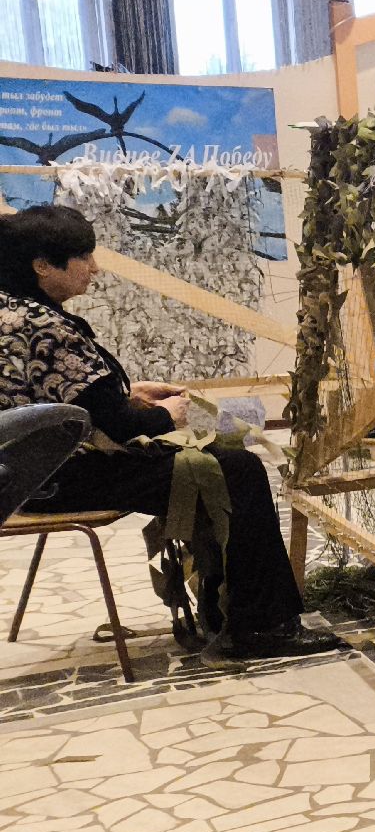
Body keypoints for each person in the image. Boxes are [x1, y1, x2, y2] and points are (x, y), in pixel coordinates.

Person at [0, 204, 344, 665]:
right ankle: (258, 625)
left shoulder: (12, 310)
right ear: (43, 265)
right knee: (236, 468)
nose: (95, 268)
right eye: (84, 256)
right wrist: (170, 414)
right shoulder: (44, 325)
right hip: (54, 478)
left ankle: (228, 611)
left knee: (225, 449)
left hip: (27, 474)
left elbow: (68, 396)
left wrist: (130, 391)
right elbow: (120, 426)